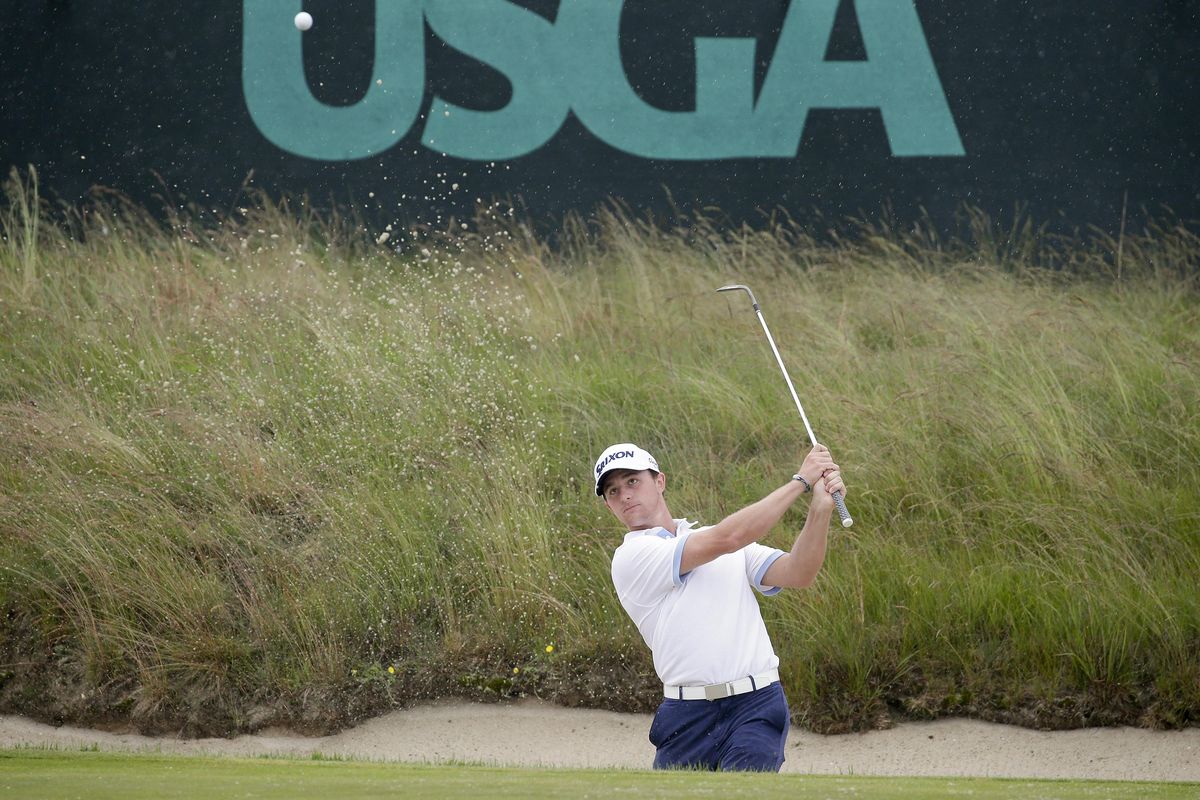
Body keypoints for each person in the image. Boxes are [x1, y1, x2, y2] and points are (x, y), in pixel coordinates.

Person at [594, 441, 845, 772]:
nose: (624, 495)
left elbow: (799, 572)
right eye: (612, 491)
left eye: (632, 481)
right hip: (686, 715)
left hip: (755, 705)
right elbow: (730, 537)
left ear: (659, 482)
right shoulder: (631, 557)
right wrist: (800, 481)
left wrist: (820, 511)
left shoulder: (720, 541)